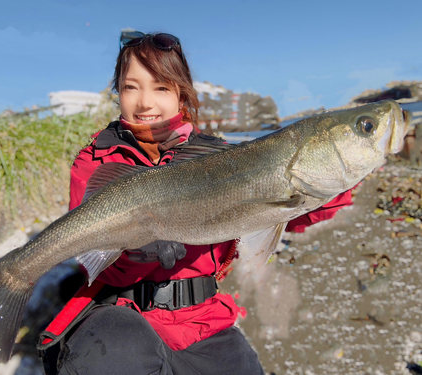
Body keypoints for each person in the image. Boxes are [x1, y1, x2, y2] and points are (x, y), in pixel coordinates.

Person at [37, 31, 353, 375]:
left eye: (160, 87)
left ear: (180, 93)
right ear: (117, 92)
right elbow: (95, 261)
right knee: (106, 356)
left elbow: (285, 215)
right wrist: (141, 250)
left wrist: (336, 180)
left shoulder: (219, 154)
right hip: (121, 312)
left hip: (204, 317)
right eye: (131, 87)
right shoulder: (96, 159)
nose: (145, 102)